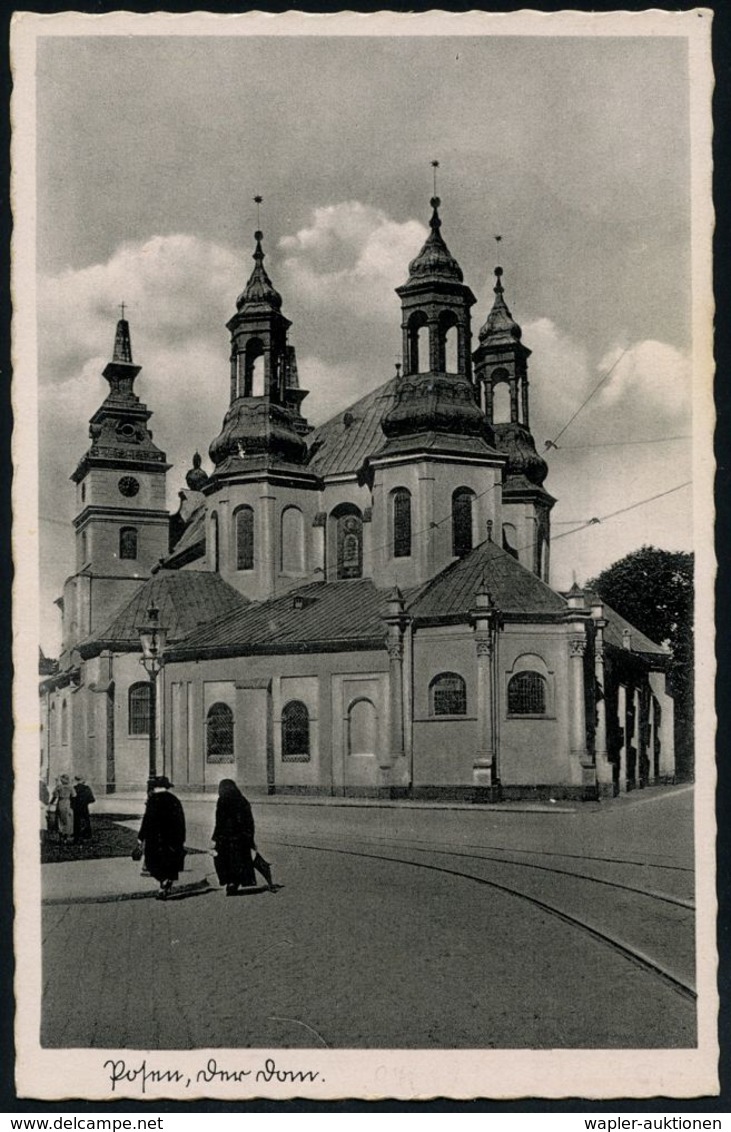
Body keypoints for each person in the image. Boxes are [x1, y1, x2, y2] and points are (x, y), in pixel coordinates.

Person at [136, 776, 186, 900]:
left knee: (153, 863)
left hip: (155, 838)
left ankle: (163, 883)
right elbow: (181, 821)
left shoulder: (153, 800)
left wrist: (141, 837)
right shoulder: (174, 800)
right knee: (169, 861)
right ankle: (165, 884)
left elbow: (147, 820)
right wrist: (181, 837)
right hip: (171, 838)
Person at [212, 779, 257, 895]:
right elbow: (249, 821)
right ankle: (236, 882)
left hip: (225, 838)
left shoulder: (221, 801)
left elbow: (219, 821)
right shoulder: (242, 801)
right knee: (239, 860)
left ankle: (229, 882)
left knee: (224, 860)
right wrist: (250, 837)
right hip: (240, 838)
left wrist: (215, 837)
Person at [49, 774, 75, 845]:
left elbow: (55, 796)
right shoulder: (70, 787)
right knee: (67, 820)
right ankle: (65, 838)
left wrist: (50, 803)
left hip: (60, 803)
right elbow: (74, 796)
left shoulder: (59, 787)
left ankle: (60, 837)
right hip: (67, 803)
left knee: (60, 820)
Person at [71, 775, 95, 842]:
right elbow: (92, 799)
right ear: (82, 780)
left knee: (76, 821)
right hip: (84, 807)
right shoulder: (87, 788)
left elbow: (71, 799)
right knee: (85, 820)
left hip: (76, 808)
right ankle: (85, 835)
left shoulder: (74, 788)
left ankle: (76, 835)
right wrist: (86, 801)